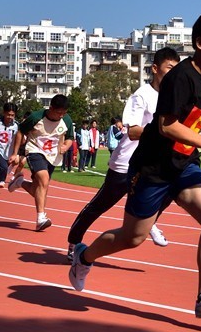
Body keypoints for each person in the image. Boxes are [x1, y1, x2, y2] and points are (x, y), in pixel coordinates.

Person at [68, 11, 201, 319]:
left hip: (184, 165)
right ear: (200, 42)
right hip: (152, 168)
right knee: (133, 237)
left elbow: (191, 125)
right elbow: (167, 126)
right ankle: (84, 257)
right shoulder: (180, 77)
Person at [65, 49, 181, 260]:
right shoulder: (142, 95)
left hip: (152, 165)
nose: (174, 74)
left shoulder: (173, 98)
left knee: (172, 191)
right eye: (170, 68)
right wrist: (163, 132)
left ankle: (151, 222)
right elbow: (134, 131)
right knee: (100, 205)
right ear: (155, 69)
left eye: (177, 70)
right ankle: (74, 242)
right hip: (126, 163)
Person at [7, 94, 76, 231]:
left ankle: (19, 182)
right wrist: (15, 153)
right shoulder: (36, 117)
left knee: (39, 189)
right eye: (58, 112)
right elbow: (20, 131)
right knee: (44, 180)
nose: (61, 115)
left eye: (64, 113)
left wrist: (66, 146)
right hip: (35, 150)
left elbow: (70, 138)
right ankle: (41, 218)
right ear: (51, 108)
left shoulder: (66, 120)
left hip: (53, 156)